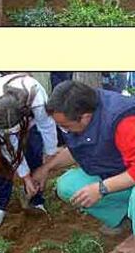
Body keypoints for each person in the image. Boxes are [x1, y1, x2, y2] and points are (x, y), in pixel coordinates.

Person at [32, 81, 135, 237]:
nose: (64, 129)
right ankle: (123, 217)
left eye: (65, 125)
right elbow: (77, 148)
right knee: (68, 186)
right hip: (120, 172)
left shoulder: (124, 121)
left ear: (85, 117)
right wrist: (46, 168)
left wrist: (101, 189)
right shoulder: (81, 109)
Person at [0, 73, 58, 226]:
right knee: (2, 160)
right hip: (6, 124)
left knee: (34, 151)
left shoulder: (36, 97)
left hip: (32, 123)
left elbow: (47, 127)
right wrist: (25, 176)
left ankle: (36, 200)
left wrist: (47, 162)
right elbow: (9, 148)